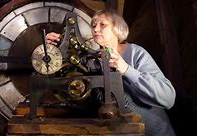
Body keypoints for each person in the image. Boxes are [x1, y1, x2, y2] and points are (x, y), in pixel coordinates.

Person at [46, 9, 176, 136]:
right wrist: (56, 51)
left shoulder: (136, 53)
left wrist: (126, 69)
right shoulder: (91, 61)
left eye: (102, 25)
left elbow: (168, 98)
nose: (95, 29)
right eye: (93, 25)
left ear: (117, 29)